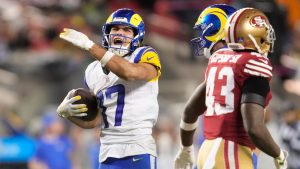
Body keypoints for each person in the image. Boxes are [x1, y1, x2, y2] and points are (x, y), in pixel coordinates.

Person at [175, 7, 289, 169]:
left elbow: (190, 111)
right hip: (231, 154)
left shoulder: (219, 60)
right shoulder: (253, 64)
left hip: (207, 151)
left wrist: (185, 149)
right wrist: (279, 155)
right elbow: (255, 127)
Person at [56, 8, 161, 169]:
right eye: (115, 28)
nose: (120, 33)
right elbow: (95, 121)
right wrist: (65, 113)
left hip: (138, 149)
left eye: (127, 30)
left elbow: (129, 73)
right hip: (107, 153)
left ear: (136, 36)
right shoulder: (92, 70)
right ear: (107, 33)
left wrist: (90, 46)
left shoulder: (143, 55)